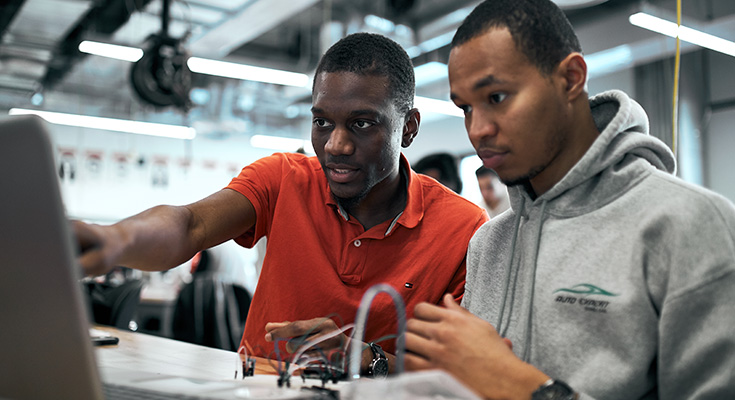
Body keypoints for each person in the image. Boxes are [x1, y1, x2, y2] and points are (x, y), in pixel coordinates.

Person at [74, 32, 488, 373]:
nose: (336, 145)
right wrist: (117, 240)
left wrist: (366, 358)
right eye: (322, 122)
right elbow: (190, 226)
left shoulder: (463, 229)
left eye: (362, 124)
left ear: (409, 127)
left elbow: (462, 372)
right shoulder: (284, 179)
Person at [404, 0, 735, 399]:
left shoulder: (688, 224)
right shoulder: (489, 243)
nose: (478, 130)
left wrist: (530, 390)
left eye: (496, 97)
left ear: (570, 78)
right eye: (465, 108)